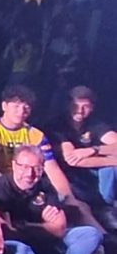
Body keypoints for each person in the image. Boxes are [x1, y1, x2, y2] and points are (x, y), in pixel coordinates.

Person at [0, 145, 102, 254]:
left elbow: (60, 228)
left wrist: (27, 226)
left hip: (47, 239)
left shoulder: (45, 185)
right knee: (20, 250)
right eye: (25, 167)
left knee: (90, 234)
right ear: (14, 165)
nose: (30, 173)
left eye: (37, 168)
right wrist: (44, 226)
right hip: (18, 243)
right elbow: (9, 230)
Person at [0, 85, 73, 197]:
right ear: (4, 106)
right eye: (16, 106)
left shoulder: (36, 135)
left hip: (28, 183)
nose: (21, 111)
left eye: (26, 107)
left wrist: (69, 198)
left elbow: (52, 168)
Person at [46, 86, 117, 230]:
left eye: (85, 106)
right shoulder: (57, 125)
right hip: (68, 176)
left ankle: (107, 208)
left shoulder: (94, 124)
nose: (80, 111)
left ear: (92, 108)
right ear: (67, 105)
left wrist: (93, 149)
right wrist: (113, 160)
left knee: (110, 170)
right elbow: (72, 159)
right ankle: (102, 210)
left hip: (94, 172)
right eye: (75, 105)